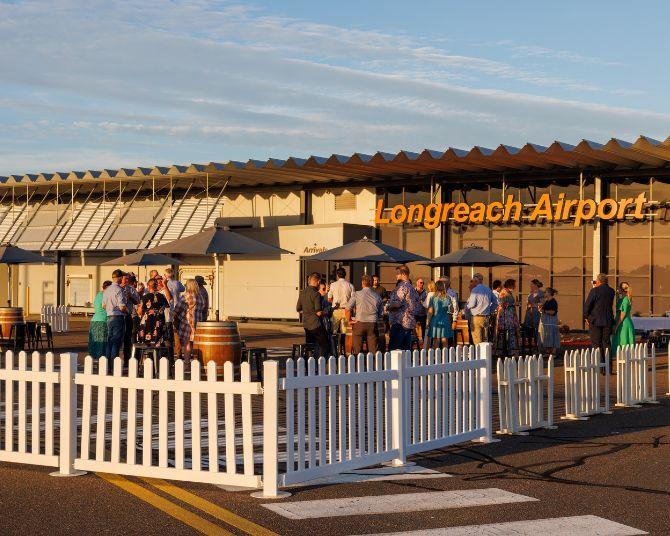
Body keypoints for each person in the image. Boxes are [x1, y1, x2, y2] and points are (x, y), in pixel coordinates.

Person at [345, 274, 383, 354]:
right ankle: (373, 364)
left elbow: (347, 308)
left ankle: (357, 364)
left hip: (359, 323)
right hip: (372, 324)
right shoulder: (377, 296)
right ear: (372, 283)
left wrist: (349, 320)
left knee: (357, 349)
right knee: (373, 350)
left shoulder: (356, 294)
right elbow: (380, 313)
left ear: (362, 283)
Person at [583, 273, 615, 368]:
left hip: (595, 320)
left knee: (596, 343)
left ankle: (600, 366)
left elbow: (587, 305)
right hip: (608, 320)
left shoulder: (594, 291)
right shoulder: (611, 291)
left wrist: (586, 317)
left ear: (598, 281)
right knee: (607, 343)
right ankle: (608, 367)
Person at [297, 272, 330, 357]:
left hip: (306, 323)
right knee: (325, 344)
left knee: (309, 345)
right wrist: (327, 311)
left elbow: (298, 309)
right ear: (318, 282)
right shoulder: (316, 294)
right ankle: (321, 363)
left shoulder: (302, 292)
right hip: (315, 324)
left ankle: (307, 363)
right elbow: (318, 312)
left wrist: (307, 312)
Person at [387, 265, 420, 351]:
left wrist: (388, 307)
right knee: (406, 351)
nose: (396, 276)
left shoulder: (402, 287)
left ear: (403, 274)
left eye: (397, 274)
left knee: (395, 350)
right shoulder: (412, 288)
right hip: (409, 323)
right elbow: (417, 306)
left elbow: (397, 304)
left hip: (400, 322)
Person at [102, 269, 128, 369]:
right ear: (120, 278)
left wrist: (111, 307)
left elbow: (103, 306)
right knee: (116, 342)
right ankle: (113, 365)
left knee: (110, 341)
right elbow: (121, 306)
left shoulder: (107, 289)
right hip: (118, 316)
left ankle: (108, 365)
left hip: (109, 316)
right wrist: (126, 311)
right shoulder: (119, 290)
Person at [173, 279, 203, 363]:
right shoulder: (200, 296)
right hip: (198, 323)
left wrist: (177, 318)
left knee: (187, 344)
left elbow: (177, 309)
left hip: (188, 323)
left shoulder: (187, 295)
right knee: (195, 344)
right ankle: (195, 362)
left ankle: (187, 363)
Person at [465, 273, 497, 345]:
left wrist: (466, 306)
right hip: (486, 317)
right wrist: (489, 310)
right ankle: (486, 355)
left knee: (477, 339)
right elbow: (495, 303)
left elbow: (472, 304)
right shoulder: (488, 289)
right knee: (485, 339)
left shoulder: (475, 290)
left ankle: (478, 355)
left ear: (475, 281)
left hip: (476, 317)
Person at [136, 278, 170, 347]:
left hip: (148, 322)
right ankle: (158, 356)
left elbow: (139, 312)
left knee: (148, 343)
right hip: (159, 322)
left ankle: (149, 356)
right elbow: (167, 306)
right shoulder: (162, 296)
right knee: (158, 342)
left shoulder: (145, 297)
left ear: (148, 286)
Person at [328, 267, 355, 352]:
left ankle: (334, 350)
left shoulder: (333, 285)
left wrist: (335, 302)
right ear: (345, 275)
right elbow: (353, 299)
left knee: (334, 331)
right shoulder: (350, 285)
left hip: (336, 310)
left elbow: (329, 298)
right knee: (344, 332)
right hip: (346, 310)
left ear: (337, 275)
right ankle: (343, 349)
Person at [495, 279, 521, 356]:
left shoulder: (508, 292)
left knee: (511, 332)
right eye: (514, 284)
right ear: (510, 285)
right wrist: (513, 303)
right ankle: (506, 350)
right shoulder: (504, 292)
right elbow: (502, 303)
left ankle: (511, 350)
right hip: (506, 317)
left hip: (510, 316)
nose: (515, 286)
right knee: (508, 332)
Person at [426, 280, 455, 348]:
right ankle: (445, 357)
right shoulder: (447, 297)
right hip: (445, 320)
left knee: (436, 341)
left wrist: (428, 322)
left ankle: (436, 357)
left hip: (435, 320)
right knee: (445, 340)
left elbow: (430, 311)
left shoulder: (433, 298)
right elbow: (452, 310)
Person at [611, 282, 635, 359]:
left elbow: (622, 315)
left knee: (623, 341)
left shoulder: (625, 300)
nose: (617, 289)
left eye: (619, 288)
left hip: (623, 323)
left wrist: (616, 326)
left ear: (622, 289)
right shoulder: (624, 299)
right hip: (623, 322)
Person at [88, 281, 111, 359]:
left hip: (94, 320)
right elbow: (106, 308)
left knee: (94, 341)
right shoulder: (105, 296)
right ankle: (101, 359)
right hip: (102, 320)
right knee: (102, 342)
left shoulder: (98, 295)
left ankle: (93, 358)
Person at [120, 273, 140, 364]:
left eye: (128, 279)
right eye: (125, 278)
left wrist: (130, 297)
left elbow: (137, 302)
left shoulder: (131, 289)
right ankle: (114, 358)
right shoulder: (116, 288)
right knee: (117, 338)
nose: (127, 280)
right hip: (118, 316)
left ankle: (126, 360)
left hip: (129, 316)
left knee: (128, 338)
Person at [523, 279, 545, 353]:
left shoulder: (541, 293)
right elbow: (528, 302)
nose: (530, 286)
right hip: (529, 313)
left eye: (531, 284)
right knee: (528, 329)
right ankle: (530, 346)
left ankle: (538, 347)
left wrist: (533, 305)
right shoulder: (530, 293)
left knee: (536, 329)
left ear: (535, 285)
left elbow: (542, 304)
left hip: (536, 313)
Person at [538, 287, 560, 356]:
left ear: (549, 293)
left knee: (552, 335)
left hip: (551, 322)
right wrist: (541, 308)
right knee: (547, 335)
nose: (544, 293)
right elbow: (544, 310)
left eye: (545, 292)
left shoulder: (553, 302)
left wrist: (544, 311)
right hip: (546, 322)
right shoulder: (547, 301)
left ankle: (553, 352)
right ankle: (548, 351)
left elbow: (553, 312)